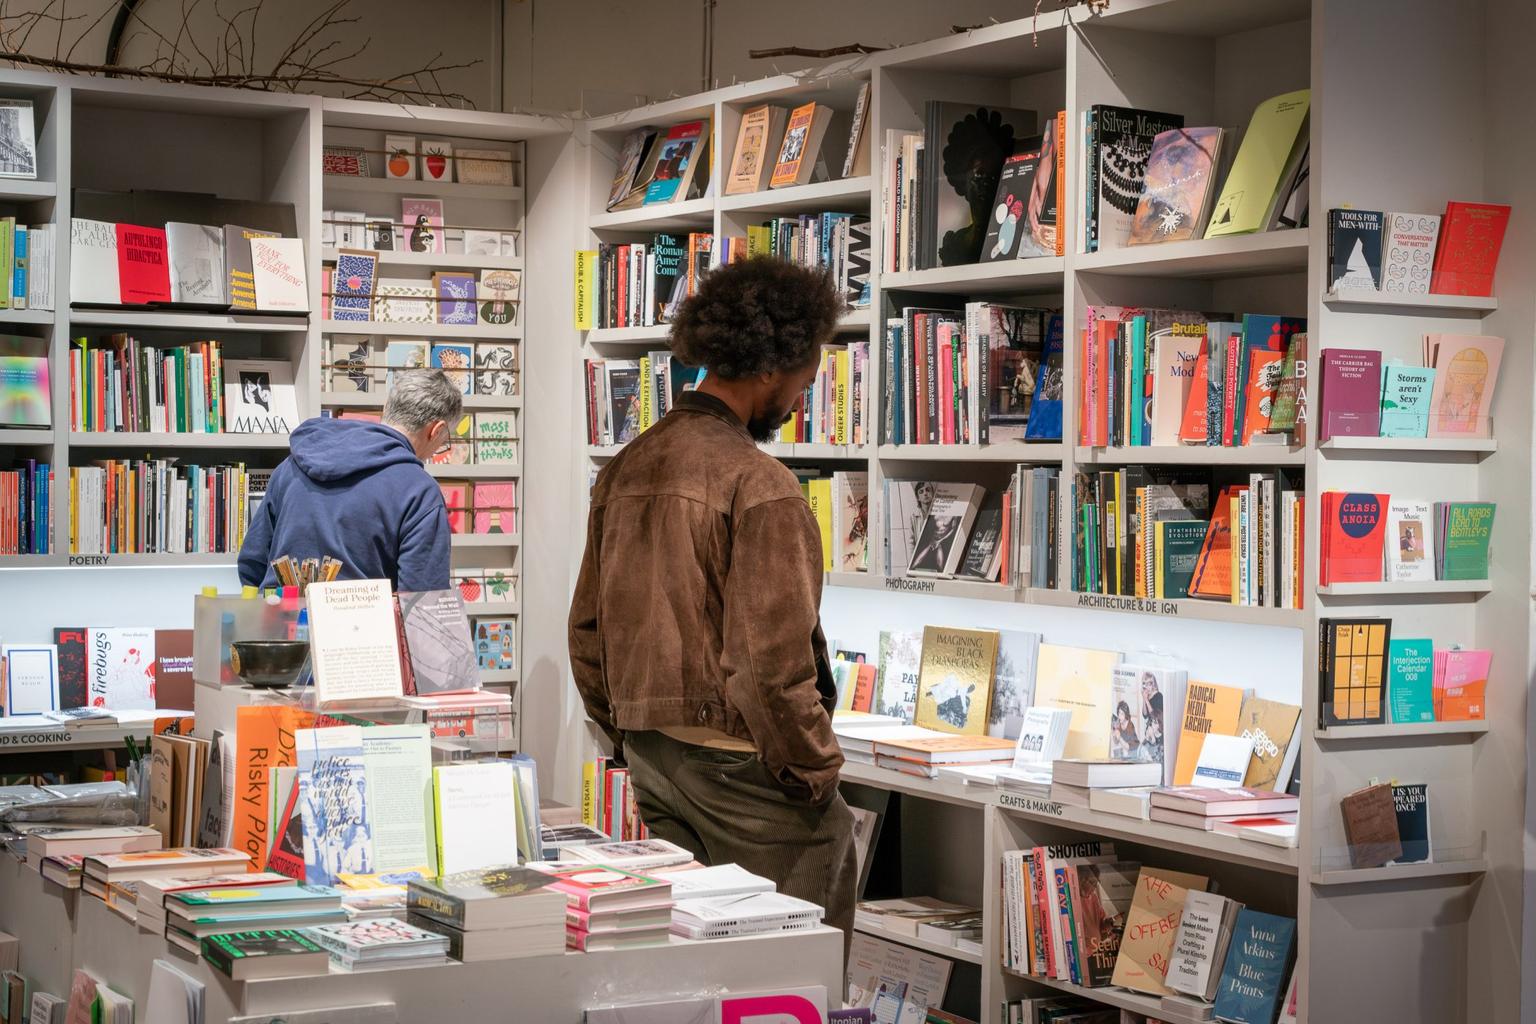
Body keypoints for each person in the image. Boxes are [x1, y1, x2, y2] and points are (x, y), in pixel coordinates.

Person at [568, 257, 856, 952]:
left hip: (654, 755)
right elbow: (768, 665)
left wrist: (629, 735)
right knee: (792, 972)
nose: (804, 390)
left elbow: (587, 630)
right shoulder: (762, 485)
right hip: (744, 769)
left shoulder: (629, 464)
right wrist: (814, 768)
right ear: (771, 366)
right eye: (804, 374)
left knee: (695, 968)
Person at [237, 369, 461, 592]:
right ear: (436, 430)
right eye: (444, 440)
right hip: (362, 625)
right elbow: (421, 601)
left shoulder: (292, 464)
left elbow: (252, 563)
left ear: (386, 409)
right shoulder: (419, 490)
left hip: (280, 622)